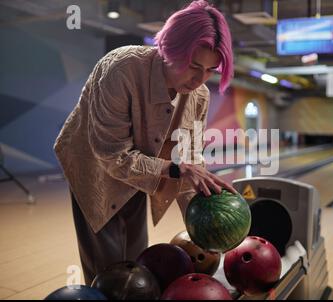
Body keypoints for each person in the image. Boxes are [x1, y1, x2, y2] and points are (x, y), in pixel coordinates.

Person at [54, 0, 236, 285]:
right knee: (108, 271)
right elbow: (112, 156)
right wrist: (175, 169)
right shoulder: (121, 69)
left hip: (143, 169)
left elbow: (190, 159)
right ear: (170, 50)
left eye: (211, 70)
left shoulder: (198, 95)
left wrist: (206, 219)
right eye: (193, 66)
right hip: (94, 166)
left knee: (136, 263)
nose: (200, 79)